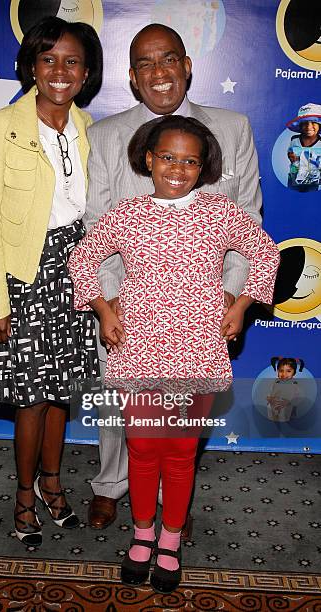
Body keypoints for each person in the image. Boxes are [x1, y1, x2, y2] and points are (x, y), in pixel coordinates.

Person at [69, 115, 280, 593]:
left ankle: (170, 539)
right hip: (139, 348)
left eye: (190, 160)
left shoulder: (220, 212)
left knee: (181, 453)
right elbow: (83, 257)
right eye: (168, 157)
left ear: (203, 167)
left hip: (196, 351)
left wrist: (241, 305)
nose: (178, 168)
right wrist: (104, 309)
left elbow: (265, 252)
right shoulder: (126, 213)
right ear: (148, 159)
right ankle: (142, 534)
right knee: (142, 450)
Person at [84, 22, 262, 533]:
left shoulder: (232, 128)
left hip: (201, 312)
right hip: (129, 306)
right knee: (126, 414)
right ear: (134, 78)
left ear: (187, 65)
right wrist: (112, 303)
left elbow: (248, 221)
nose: (158, 72)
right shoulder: (107, 134)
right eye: (145, 64)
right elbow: (98, 226)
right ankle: (112, 485)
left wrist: (230, 297)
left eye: (168, 60)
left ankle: (171, 499)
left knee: (181, 427)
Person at [0, 16, 102, 547]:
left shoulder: (91, 127)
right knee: (29, 397)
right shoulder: (5, 124)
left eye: (71, 61)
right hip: (22, 274)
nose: (59, 71)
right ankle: (24, 495)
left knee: (60, 394)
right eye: (48, 59)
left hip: (76, 268)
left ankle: (53, 483)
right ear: (31, 66)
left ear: (86, 72)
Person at [286, 103, 321, 192]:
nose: (309, 127)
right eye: (305, 123)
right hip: (294, 179)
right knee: (292, 198)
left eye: (314, 122)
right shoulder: (294, 140)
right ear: (300, 125)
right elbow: (290, 153)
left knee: (311, 199)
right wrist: (291, 156)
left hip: (313, 181)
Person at [267, 357, 303, 422]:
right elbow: (270, 391)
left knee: (283, 411)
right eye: (281, 371)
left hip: (288, 403)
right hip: (276, 401)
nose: (284, 374)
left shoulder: (294, 383)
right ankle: (273, 419)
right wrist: (270, 398)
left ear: (294, 373)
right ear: (277, 372)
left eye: (288, 371)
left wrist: (288, 401)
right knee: (270, 407)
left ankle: (284, 421)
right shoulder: (276, 381)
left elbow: (297, 396)